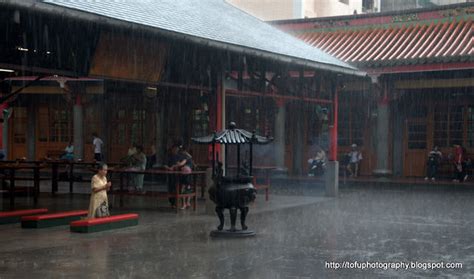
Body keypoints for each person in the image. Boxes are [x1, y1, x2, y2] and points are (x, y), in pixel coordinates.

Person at [164, 143, 187, 208]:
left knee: (178, 188)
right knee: (171, 188)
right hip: (170, 175)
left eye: (176, 148)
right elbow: (165, 164)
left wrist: (176, 166)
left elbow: (183, 162)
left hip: (178, 175)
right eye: (174, 148)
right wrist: (169, 168)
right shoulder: (169, 156)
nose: (175, 150)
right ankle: (172, 202)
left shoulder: (181, 156)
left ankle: (177, 202)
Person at [179, 145, 194, 210]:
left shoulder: (185, 157)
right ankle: (187, 203)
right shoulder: (190, 157)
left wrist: (176, 164)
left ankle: (184, 204)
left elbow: (181, 164)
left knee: (183, 189)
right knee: (188, 189)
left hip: (185, 175)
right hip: (189, 175)